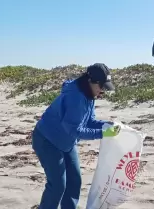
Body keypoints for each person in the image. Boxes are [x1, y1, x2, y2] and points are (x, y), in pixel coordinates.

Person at [32, 63, 121, 209]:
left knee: (74, 180)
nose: (103, 92)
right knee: (58, 185)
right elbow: (76, 130)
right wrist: (103, 133)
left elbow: (89, 122)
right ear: (91, 81)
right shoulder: (76, 97)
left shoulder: (90, 95)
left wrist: (107, 125)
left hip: (66, 142)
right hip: (47, 140)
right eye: (102, 87)